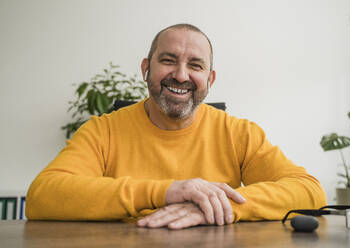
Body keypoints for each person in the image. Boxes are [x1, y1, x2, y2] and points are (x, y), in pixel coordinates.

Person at [26, 23, 326, 229]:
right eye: (168, 60)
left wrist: (217, 207)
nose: (181, 75)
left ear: (210, 80)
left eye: (195, 65)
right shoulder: (102, 130)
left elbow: (309, 192)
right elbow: (42, 197)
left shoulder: (239, 133)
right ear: (146, 69)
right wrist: (165, 192)